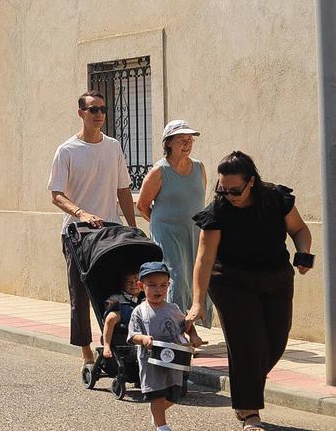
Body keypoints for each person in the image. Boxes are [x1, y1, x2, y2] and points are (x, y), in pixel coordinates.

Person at [186, 152, 313, 430]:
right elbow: (204, 259)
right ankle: (249, 412)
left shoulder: (276, 199)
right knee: (247, 344)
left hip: (276, 278)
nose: (228, 195)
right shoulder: (218, 211)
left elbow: (300, 230)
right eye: (222, 189)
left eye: (235, 190)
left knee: (276, 342)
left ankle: (247, 383)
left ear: (251, 182)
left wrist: (303, 253)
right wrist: (197, 302)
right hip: (231, 281)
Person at [47, 90, 137, 371]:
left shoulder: (113, 147)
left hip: (110, 233)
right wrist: (81, 213)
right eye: (93, 109)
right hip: (77, 234)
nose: (99, 114)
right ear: (81, 113)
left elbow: (123, 190)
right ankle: (86, 351)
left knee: (117, 290)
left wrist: (133, 228)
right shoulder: (67, 150)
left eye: (102, 109)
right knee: (81, 295)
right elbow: (56, 194)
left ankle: (116, 345)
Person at [137, 120, 213, 327]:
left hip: (194, 232)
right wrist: (162, 225)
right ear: (168, 142)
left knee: (197, 278)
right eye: (182, 140)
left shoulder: (199, 168)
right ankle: (174, 327)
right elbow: (142, 205)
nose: (187, 144)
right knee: (177, 279)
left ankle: (194, 326)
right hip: (168, 234)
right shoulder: (159, 171)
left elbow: (197, 200)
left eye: (190, 140)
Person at [128, 261, 204, 431]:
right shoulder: (140, 311)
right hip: (152, 361)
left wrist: (194, 336)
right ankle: (161, 425)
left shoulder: (173, 308)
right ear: (141, 286)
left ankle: (157, 413)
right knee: (158, 393)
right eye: (152, 285)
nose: (158, 289)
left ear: (168, 286)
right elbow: (133, 335)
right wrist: (143, 339)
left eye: (163, 285)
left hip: (174, 360)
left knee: (174, 395)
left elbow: (186, 325)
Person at [100, 271, 142, 360]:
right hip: (123, 314)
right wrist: (109, 304)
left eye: (136, 281)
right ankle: (107, 344)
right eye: (129, 282)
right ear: (122, 286)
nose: (133, 284)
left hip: (138, 318)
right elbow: (109, 303)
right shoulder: (119, 296)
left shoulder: (144, 298)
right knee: (111, 317)